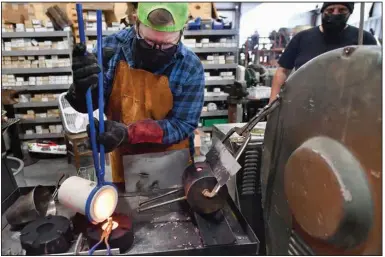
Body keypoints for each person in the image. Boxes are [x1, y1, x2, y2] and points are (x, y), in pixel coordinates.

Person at [66, 3, 205, 191]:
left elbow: (183, 124)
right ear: (136, 22)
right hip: (125, 158)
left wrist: (128, 133)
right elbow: (92, 102)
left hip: (169, 160)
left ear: (182, 32)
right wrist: (81, 90)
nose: (156, 50)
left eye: (166, 45)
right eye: (148, 42)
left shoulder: (190, 66)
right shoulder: (110, 48)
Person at [269, 2, 377, 103]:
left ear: (350, 12)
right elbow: (282, 71)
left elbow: (375, 74)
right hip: (304, 104)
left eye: (342, 10)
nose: (335, 14)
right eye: (330, 10)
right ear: (322, 11)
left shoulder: (363, 38)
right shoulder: (302, 38)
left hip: (347, 106)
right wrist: (272, 104)